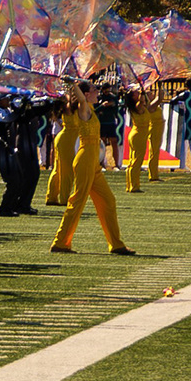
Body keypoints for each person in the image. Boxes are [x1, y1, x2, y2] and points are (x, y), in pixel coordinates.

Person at [57, 83, 131, 254]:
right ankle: (60, 242)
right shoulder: (83, 107)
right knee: (77, 202)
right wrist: (73, 84)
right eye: (94, 90)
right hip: (85, 160)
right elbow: (80, 98)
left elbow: (80, 98)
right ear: (85, 94)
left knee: (108, 201)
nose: (98, 92)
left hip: (92, 161)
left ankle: (116, 244)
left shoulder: (90, 107)